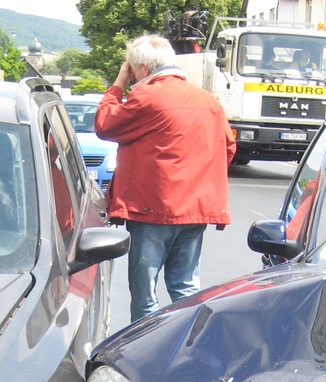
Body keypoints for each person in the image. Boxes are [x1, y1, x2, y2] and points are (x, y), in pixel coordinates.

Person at [95, 33, 236, 321]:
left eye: (133, 70)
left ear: (144, 69)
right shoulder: (208, 101)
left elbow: (105, 125)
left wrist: (118, 84)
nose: (133, 76)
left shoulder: (147, 96)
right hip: (194, 211)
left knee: (145, 294)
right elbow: (228, 149)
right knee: (185, 287)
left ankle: (144, 355)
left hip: (152, 209)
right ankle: (185, 350)